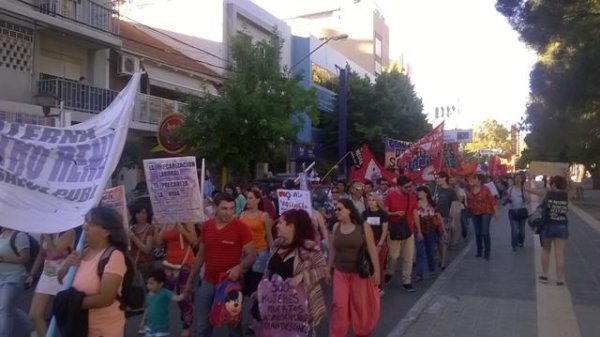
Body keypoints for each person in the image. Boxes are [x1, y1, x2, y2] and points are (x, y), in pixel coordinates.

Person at [183, 193, 256, 337]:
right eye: (224, 208)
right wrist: (190, 281)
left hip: (231, 284)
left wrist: (239, 267)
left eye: (231, 208)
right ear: (215, 208)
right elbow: (200, 256)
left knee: (233, 325)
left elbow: (251, 255)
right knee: (202, 325)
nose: (228, 212)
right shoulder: (207, 226)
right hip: (207, 282)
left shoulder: (241, 228)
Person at [252, 209, 328, 336]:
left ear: (291, 227)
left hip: (297, 308)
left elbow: (323, 269)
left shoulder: (308, 247)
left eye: (280, 223)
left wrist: (302, 276)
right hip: (274, 306)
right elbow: (268, 270)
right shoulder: (276, 244)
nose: (276, 225)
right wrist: (260, 290)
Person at [58, 207, 128, 337]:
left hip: (104, 331)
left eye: (90, 224)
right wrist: (66, 266)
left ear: (106, 231)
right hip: (78, 327)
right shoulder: (80, 252)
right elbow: (61, 280)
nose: (84, 227)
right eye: (85, 222)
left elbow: (106, 298)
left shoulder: (114, 256)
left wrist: (69, 303)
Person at [329, 199, 380, 337]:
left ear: (349, 210)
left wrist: (377, 272)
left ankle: (362, 333)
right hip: (340, 273)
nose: (336, 212)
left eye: (339, 209)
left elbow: (372, 249)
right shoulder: (335, 227)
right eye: (336, 209)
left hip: (359, 274)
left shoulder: (363, 227)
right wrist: (329, 269)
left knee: (360, 306)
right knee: (339, 306)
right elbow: (332, 249)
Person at [153, 220, 198, 337]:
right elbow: (158, 243)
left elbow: (194, 241)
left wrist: (183, 231)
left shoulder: (185, 220)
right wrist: (155, 229)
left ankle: (186, 329)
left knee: (184, 298)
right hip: (169, 265)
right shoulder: (165, 221)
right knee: (162, 297)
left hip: (185, 263)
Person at [28, 229, 75, 337]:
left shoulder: (68, 231)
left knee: (62, 315)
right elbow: (41, 253)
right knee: (34, 314)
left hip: (62, 274)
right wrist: (32, 273)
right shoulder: (47, 230)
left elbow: (55, 252)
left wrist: (47, 235)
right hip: (47, 273)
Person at [527, 175, 569, 285]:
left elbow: (528, 190)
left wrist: (528, 178)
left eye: (551, 182)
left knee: (546, 250)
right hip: (562, 225)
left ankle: (545, 275)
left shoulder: (547, 193)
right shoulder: (567, 195)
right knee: (559, 253)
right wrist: (568, 178)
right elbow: (575, 186)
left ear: (554, 184)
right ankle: (559, 279)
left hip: (548, 225)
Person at [384, 175, 419, 292]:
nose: (409, 189)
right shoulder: (390, 196)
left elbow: (415, 213)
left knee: (408, 257)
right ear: (398, 187)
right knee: (393, 256)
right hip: (394, 231)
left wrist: (418, 229)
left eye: (410, 186)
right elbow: (385, 212)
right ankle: (390, 272)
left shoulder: (412, 197)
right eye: (406, 187)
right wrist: (394, 214)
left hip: (409, 231)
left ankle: (406, 281)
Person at [239, 189, 273, 296]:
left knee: (256, 284)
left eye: (250, 198)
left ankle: (255, 309)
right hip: (245, 253)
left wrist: (272, 253)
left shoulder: (263, 215)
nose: (247, 201)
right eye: (247, 198)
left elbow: (269, 235)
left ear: (258, 200)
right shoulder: (242, 215)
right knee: (243, 283)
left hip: (260, 252)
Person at [0, 227, 33, 337]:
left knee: (5, 309)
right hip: (2, 277)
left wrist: (4, 259)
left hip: (15, 276)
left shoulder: (19, 235)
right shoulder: (2, 235)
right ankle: (29, 327)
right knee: (9, 308)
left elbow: (24, 258)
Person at [414, 186, 445, 280]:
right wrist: (419, 231)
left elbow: (439, 217)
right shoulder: (415, 204)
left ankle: (432, 270)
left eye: (421, 192)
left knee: (430, 251)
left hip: (431, 230)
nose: (418, 193)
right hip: (420, 230)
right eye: (418, 192)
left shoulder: (433, 204)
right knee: (420, 252)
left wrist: (443, 229)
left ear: (426, 193)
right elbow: (415, 218)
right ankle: (420, 273)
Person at [362, 192, 389, 295]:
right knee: (369, 265)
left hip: (379, 242)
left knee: (379, 266)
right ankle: (370, 286)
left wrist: (380, 245)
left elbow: (384, 230)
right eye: (369, 200)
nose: (371, 202)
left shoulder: (383, 214)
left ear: (377, 201)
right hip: (368, 243)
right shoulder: (365, 213)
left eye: (373, 200)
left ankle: (380, 287)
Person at [145, 268, 185, 337]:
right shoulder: (149, 294)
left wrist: (184, 295)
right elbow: (148, 308)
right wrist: (143, 321)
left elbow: (176, 298)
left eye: (151, 283)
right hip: (150, 326)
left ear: (160, 284)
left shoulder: (165, 292)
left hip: (162, 328)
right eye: (147, 283)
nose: (148, 285)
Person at [467, 174, 497, 260]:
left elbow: (492, 200)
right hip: (474, 213)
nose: (473, 180)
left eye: (475, 179)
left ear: (479, 180)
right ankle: (479, 251)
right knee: (478, 233)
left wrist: (496, 212)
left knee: (485, 232)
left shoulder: (486, 189)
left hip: (485, 212)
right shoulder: (470, 188)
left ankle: (487, 252)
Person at [434, 172, 458, 270]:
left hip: (445, 217)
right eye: (437, 178)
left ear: (445, 178)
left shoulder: (450, 191)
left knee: (444, 240)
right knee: (437, 241)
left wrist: (453, 220)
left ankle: (443, 261)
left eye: (440, 178)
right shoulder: (435, 189)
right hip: (434, 218)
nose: (438, 180)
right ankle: (440, 257)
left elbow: (454, 207)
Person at [129, 203, 155, 278]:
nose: (141, 215)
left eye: (143, 213)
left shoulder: (150, 228)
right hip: (133, 264)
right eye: (138, 213)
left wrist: (133, 237)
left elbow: (147, 249)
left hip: (146, 266)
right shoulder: (131, 229)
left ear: (147, 215)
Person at [505, 173, 530, 251]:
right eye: (516, 178)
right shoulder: (510, 189)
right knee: (515, 230)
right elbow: (506, 198)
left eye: (519, 178)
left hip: (522, 211)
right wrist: (507, 199)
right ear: (514, 179)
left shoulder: (524, 189)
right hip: (512, 211)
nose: (518, 180)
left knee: (522, 230)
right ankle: (514, 245)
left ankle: (521, 242)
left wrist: (525, 196)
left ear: (522, 179)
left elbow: (528, 200)